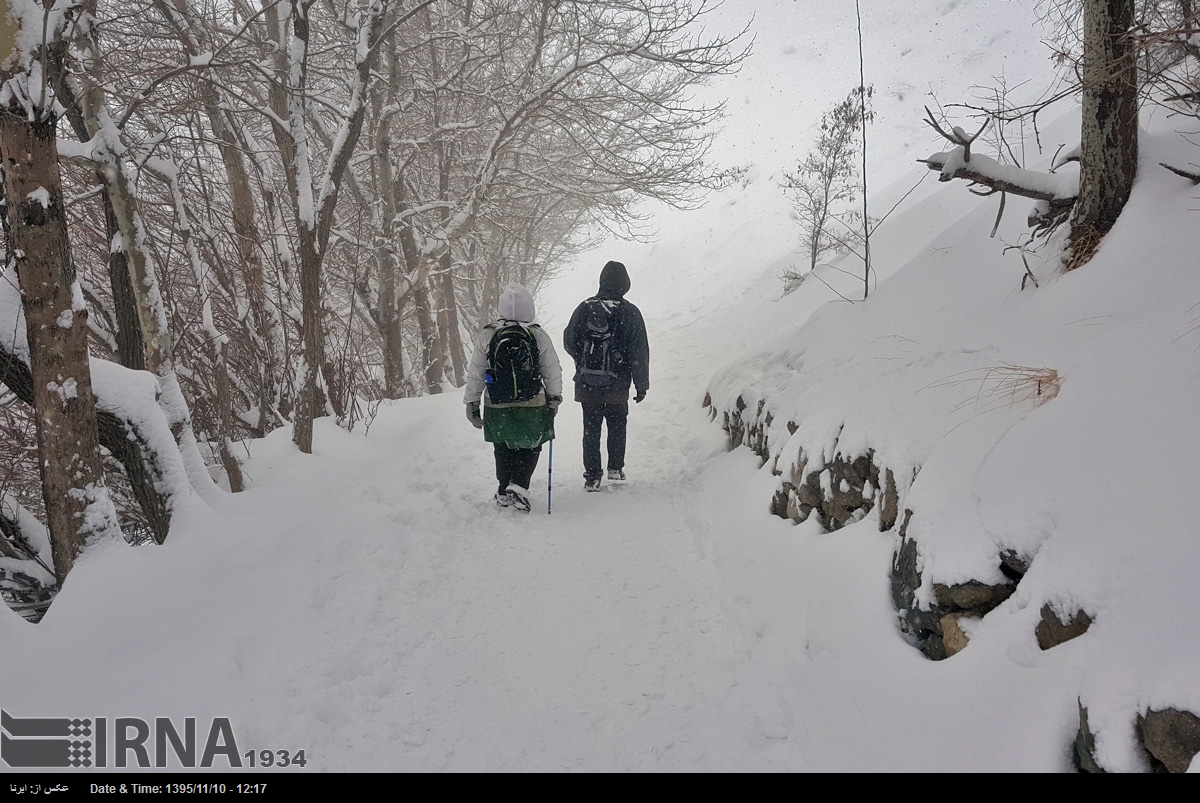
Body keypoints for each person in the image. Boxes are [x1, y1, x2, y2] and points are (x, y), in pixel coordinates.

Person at [464, 284, 562, 512]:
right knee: (531, 443)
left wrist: (472, 402)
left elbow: (476, 372)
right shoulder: (537, 335)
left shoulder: (488, 335)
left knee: (503, 445)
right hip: (533, 401)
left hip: (496, 402)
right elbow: (552, 369)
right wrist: (554, 396)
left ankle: (503, 489)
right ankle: (518, 486)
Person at [563, 260, 649, 492]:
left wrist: (584, 362)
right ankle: (615, 468)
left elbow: (569, 341)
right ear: (625, 284)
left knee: (591, 429)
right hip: (618, 384)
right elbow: (639, 351)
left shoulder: (584, 308)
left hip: (587, 384)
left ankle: (592, 475)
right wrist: (641, 385)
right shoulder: (630, 312)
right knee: (617, 425)